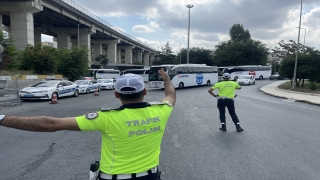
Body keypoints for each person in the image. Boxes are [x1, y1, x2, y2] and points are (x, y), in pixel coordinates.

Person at [0, 68, 176, 180]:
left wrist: (1, 118)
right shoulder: (161, 110)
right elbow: (171, 96)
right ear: (144, 91)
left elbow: (50, 124)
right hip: (151, 176)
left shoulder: (106, 118)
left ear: (116, 94)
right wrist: (166, 79)